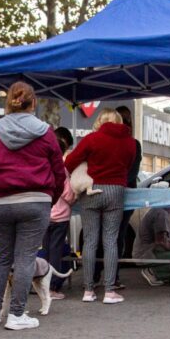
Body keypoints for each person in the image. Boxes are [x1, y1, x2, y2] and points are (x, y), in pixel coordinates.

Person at [0, 82, 65, 330]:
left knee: (1, 258)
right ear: (33, 103)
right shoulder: (46, 132)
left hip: (1, 203)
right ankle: (17, 315)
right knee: (26, 258)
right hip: (36, 202)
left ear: (8, 103)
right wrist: (50, 198)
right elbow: (59, 172)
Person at [63, 108, 137, 303]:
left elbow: (69, 162)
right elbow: (128, 167)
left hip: (91, 190)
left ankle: (88, 291)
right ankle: (110, 291)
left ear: (101, 121)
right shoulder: (130, 143)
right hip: (116, 190)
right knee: (111, 240)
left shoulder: (92, 139)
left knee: (90, 240)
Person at [42, 127, 76, 299]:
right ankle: (53, 287)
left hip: (44, 216)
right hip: (60, 216)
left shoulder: (42, 167)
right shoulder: (60, 170)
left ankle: (43, 284)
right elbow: (68, 194)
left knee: (46, 252)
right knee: (56, 253)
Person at [113, 105, 142, 290]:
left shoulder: (103, 141)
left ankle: (95, 277)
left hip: (105, 191)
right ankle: (112, 277)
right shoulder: (133, 144)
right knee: (117, 236)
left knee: (101, 236)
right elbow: (133, 173)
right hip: (125, 194)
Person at [132, 206, 170, 286]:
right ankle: (153, 272)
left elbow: (165, 233)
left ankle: (163, 273)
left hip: (145, 251)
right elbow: (162, 241)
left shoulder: (156, 210)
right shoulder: (161, 214)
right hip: (147, 253)